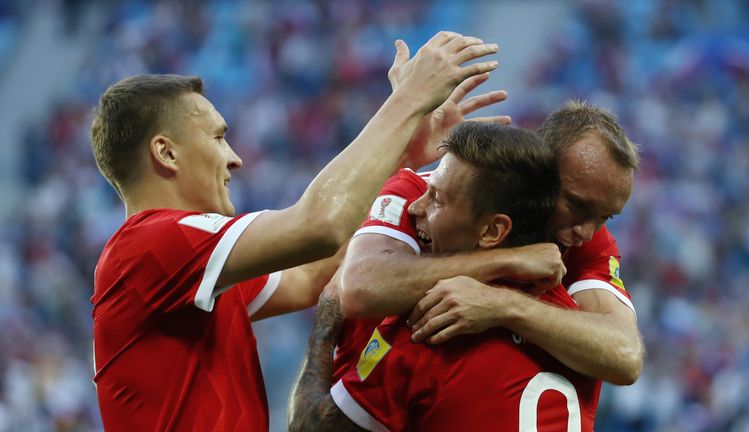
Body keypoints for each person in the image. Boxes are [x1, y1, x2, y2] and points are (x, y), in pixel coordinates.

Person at [89, 31, 501, 431]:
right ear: (166, 152)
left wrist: (402, 156)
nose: (235, 160)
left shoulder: (184, 264)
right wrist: (407, 101)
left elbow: (310, 275)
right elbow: (320, 226)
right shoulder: (150, 244)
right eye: (217, 138)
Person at [288, 122, 601, 431]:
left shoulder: (432, 324)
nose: (415, 206)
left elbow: (309, 426)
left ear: (493, 230)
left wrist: (327, 317)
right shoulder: (574, 335)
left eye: (437, 198)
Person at [337, 99, 643, 387]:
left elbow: (625, 357)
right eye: (576, 204)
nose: (587, 232)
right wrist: (506, 261)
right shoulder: (424, 193)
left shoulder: (581, 241)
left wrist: (503, 305)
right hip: (353, 402)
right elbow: (360, 289)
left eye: (605, 217)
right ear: (539, 171)